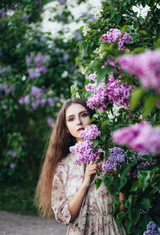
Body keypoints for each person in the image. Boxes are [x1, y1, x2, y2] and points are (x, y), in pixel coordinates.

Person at [35, 97, 126, 235]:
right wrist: (85, 183)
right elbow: (65, 216)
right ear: (66, 128)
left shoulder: (110, 156)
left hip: (111, 230)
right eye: (71, 119)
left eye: (83, 115)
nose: (78, 122)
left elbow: (122, 210)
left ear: (92, 118)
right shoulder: (63, 166)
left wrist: (122, 179)